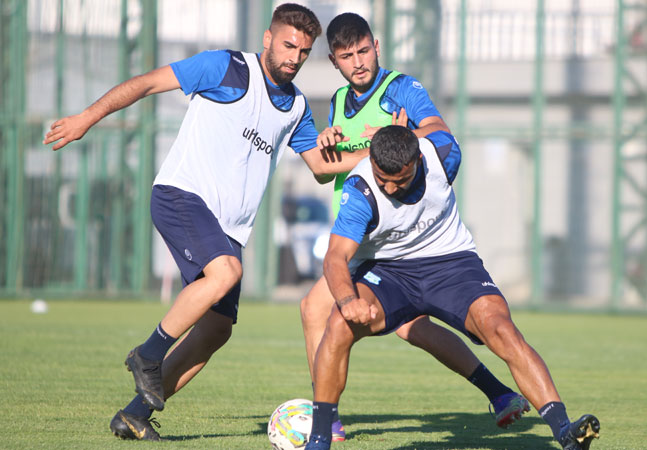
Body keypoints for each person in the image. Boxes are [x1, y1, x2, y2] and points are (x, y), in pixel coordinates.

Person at [43, 4, 361, 441]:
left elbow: (322, 169)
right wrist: (86, 118)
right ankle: (148, 355)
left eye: (304, 52)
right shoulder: (224, 67)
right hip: (181, 196)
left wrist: (381, 150)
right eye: (288, 45)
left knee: (215, 330)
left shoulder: (296, 106)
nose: (294, 57)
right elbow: (147, 83)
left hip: (227, 228)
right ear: (268, 39)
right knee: (226, 271)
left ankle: (134, 415)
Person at [299, 12, 529, 442]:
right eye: (347, 56)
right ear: (334, 61)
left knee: (316, 310)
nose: (359, 62)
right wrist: (330, 144)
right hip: (363, 232)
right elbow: (322, 173)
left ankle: (324, 422)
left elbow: (431, 136)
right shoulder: (335, 101)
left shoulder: (402, 89)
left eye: (364, 51)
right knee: (412, 327)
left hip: (393, 236)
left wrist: (384, 145)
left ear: (377, 46)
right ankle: (499, 393)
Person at [304, 126, 601, 450]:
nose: (389, 187)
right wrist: (348, 300)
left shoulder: (444, 155)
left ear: (418, 159)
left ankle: (565, 432)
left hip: (451, 263)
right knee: (338, 324)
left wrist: (411, 128)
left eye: (399, 180)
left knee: (500, 328)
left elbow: (437, 127)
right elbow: (335, 257)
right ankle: (319, 439)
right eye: (381, 178)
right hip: (388, 271)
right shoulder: (361, 190)